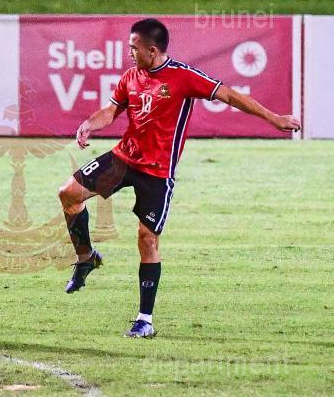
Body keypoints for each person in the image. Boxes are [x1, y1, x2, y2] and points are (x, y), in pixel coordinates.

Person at [58, 18, 301, 338]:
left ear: (152, 50)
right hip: (123, 159)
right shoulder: (131, 76)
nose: (129, 52)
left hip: (157, 173)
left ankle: (145, 319)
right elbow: (111, 110)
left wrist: (274, 118)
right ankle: (86, 257)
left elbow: (229, 95)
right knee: (69, 193)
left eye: (133, 47)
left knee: (147, 239)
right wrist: (90, 124)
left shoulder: (183, 77)